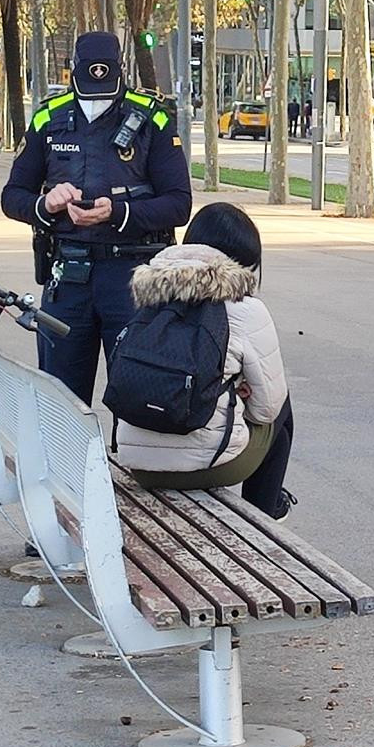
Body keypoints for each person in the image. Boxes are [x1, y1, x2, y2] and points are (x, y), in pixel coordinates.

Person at [1, 31, 192, 405]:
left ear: (120, 72)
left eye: (105, 86)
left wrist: (120, 212)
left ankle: (131, 463)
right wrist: (46, 205)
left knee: (139, 396)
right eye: (89, 83)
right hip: (68, 277)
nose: (96, 96)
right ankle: (69, 464)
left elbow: (179, 204)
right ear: (72, 71)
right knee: (60, 400)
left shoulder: (151, 117)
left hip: (133, 278)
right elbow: (12, 196)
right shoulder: (48, 118)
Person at [112, 203, 295, 519]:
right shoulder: (246, 309)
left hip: (138, 463)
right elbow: (267, 409)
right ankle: (265, 513)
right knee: (283, 411)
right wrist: (231, 391)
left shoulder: (146, 296)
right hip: (210, 465)